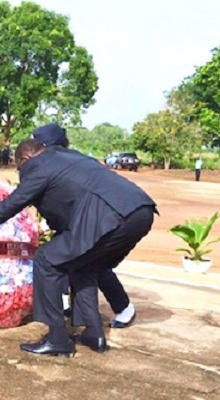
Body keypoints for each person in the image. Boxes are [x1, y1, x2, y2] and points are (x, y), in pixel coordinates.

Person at [0, 139, 156, 357]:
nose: (20, 172)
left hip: (108, 216)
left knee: (46, 260)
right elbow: (70, 197)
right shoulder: (69, 157)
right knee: (83, 264)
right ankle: (94, 333)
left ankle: (57, 339)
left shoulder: (38, 165)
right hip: (141, 210)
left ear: (25, 159)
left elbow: (14, 203)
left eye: (18, 167)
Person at [32, 124, 138, 329]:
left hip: (96, 219)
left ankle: (118, 309)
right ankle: (93, 315)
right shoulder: (71, 159)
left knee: (87, 262)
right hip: (84, 219)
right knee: (80, 260)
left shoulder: (62, 162)